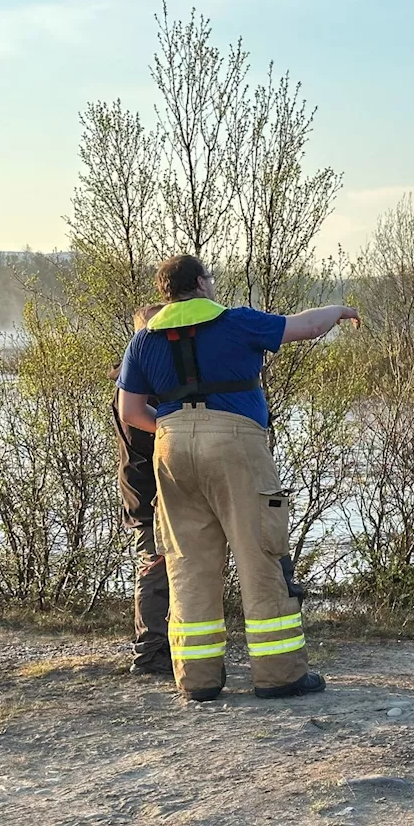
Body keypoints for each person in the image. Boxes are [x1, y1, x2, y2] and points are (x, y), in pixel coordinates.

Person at [117, 254, 360, 701]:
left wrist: (175, 425)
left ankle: (198, 680)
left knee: (187, 562)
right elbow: (305, 326)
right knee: (259, 552)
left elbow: (130, 412)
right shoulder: (236, 322)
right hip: (236, 443)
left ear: (165, 292)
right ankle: (279, 674)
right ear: (201, 283)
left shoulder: (143, 341)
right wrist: (340, 311)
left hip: (170, 450)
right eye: (210, 277)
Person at [110, 304, 168, 675]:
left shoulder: (134, 380)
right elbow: (152, 431)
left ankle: (161, 646)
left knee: (160, 565)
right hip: (148, 489)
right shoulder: (138, 387)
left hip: (144, 485)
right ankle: (148, 653)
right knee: (155, 566)